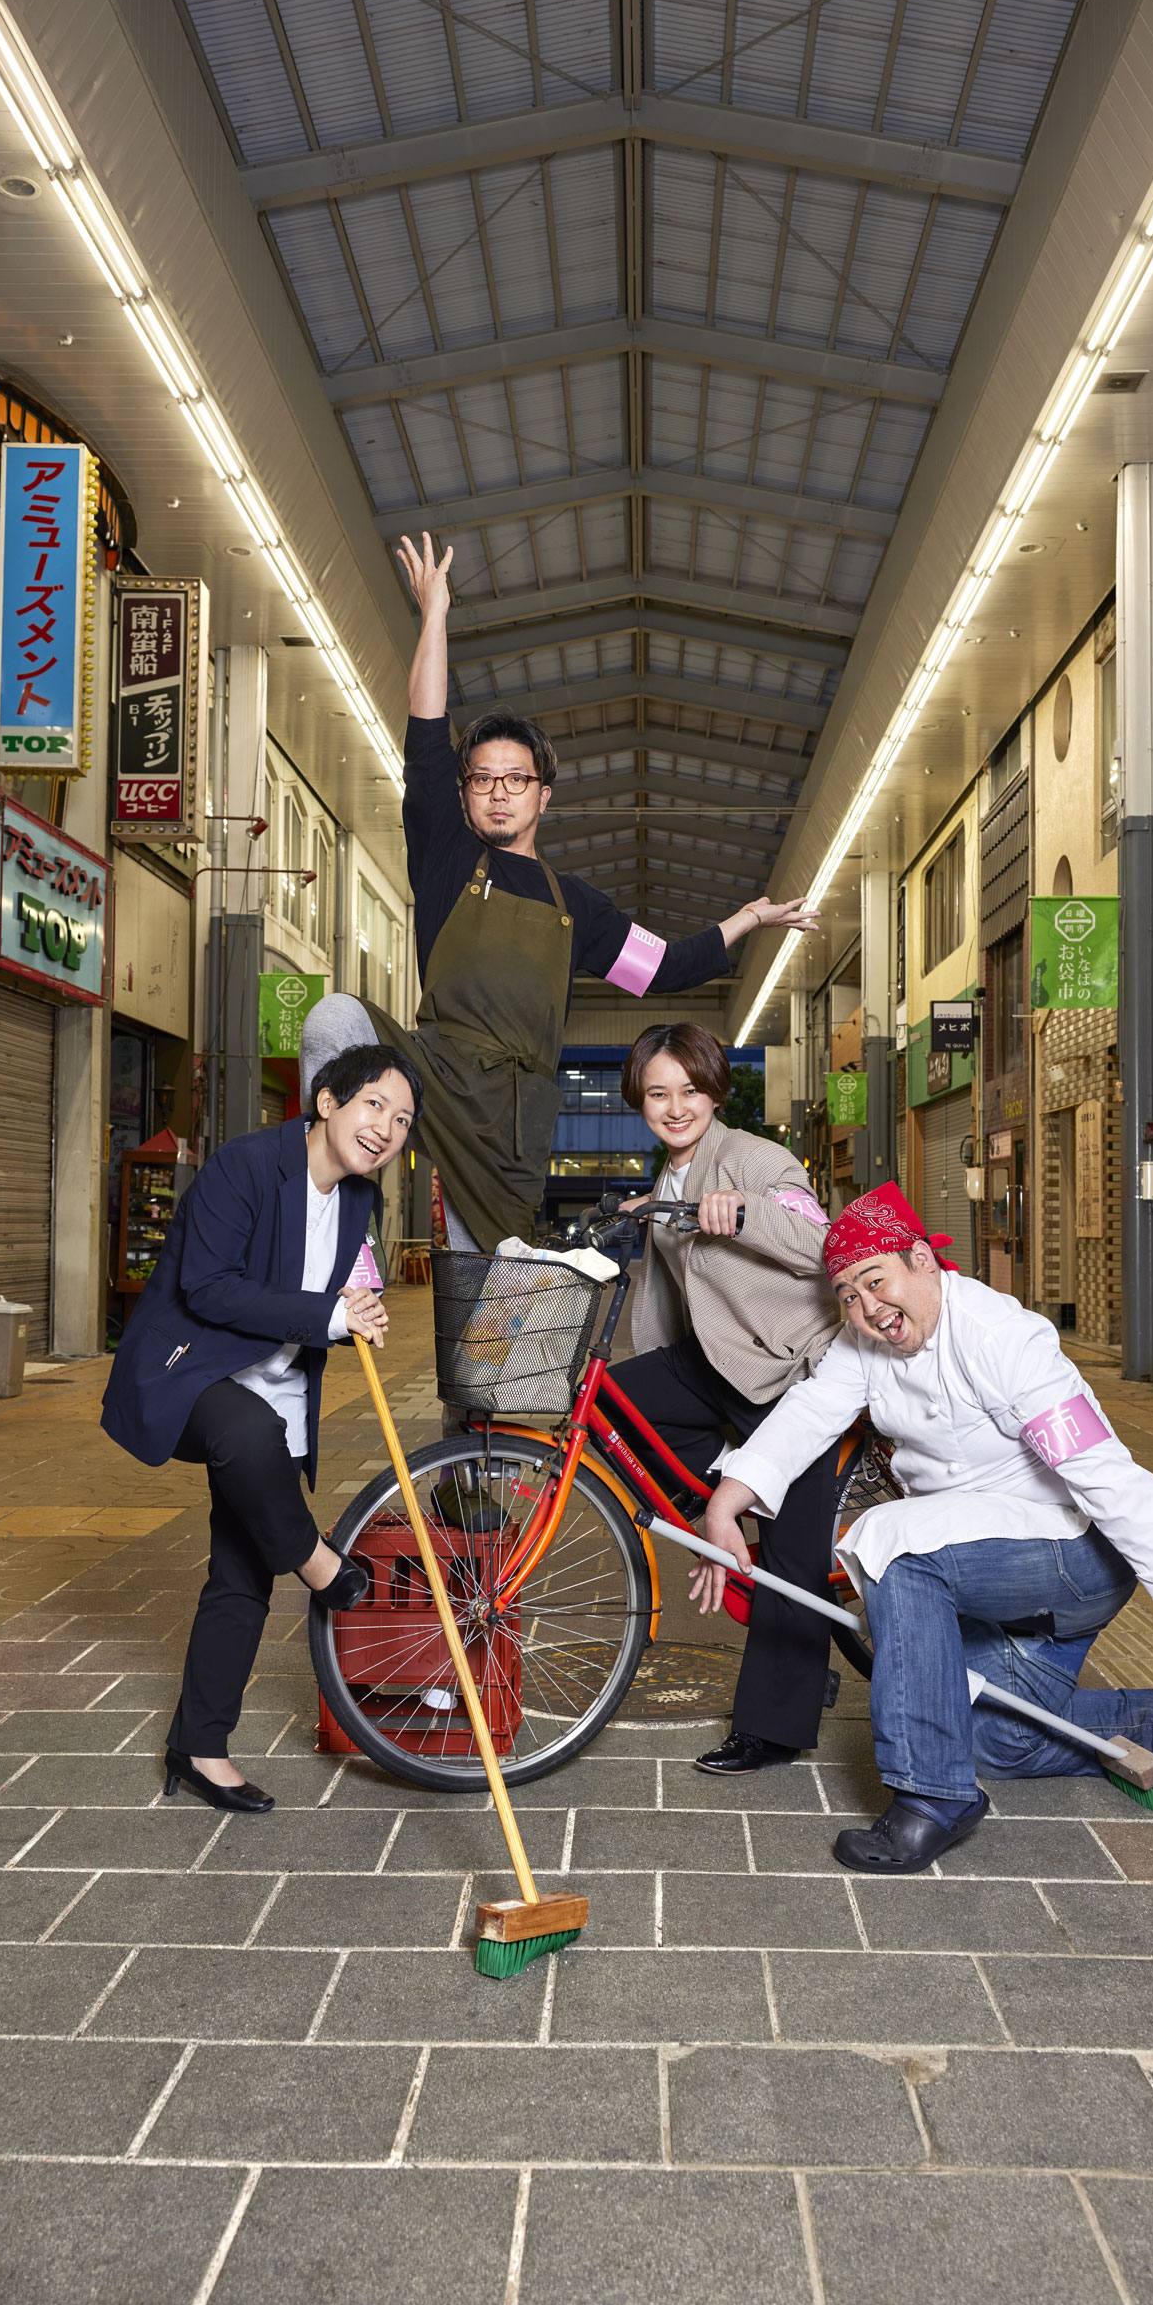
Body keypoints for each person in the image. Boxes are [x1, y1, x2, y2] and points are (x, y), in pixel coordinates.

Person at [700, 1182, 1153, 1874]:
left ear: (922, 1259)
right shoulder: (862, 1346)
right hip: (980, 1556)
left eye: (875, 1281)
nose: (867, 1310)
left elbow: (1098, 1468)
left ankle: (931, 1799)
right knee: (985, 1740)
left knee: (891, 1545)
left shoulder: (1001, 1336)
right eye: (847, 1297)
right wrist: (723, 1505)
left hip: (1072, 1554)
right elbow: (806, 1414)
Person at [295, 531, 819, 1256]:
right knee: (334, 1016)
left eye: (516, 780)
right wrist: (434, 615)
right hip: (434, 1067)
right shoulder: (448, 858)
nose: (498, 794)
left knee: (490, 1295)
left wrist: (746, 919)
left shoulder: (576, 907)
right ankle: (328, 1220)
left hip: (514, 1115)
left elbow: (664, 967)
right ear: (464, 792)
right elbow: (422, 735)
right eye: (482, 778)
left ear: (544, 795)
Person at [101, 1045, 423, 1814]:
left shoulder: (357, 1202)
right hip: (194, 1372)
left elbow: (343, 1285)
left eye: (403, 1119)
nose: (386, 1127)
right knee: (246, 1431)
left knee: (241, 1572)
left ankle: (198, 1746)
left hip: (276, 1390)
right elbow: (208, 1288)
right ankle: (316, 1561)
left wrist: (358, 1305)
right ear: (326, 1102)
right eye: (374, 1104)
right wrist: (326, 1315)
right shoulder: (245, 1167)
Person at [602, 1022, 841, 1774]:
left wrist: (742, 1210)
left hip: (791, 1373)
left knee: (793, 1560)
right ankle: (725, 1512)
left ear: (713, 1091)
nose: (675, 1107)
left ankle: (771, 1729)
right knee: (612, 1401)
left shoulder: (754, 1158)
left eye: (690, 1090)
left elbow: (820, 1240)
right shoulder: (670, 1174)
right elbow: (677, 1297)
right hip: (718, 1365)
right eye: (656, 1093)